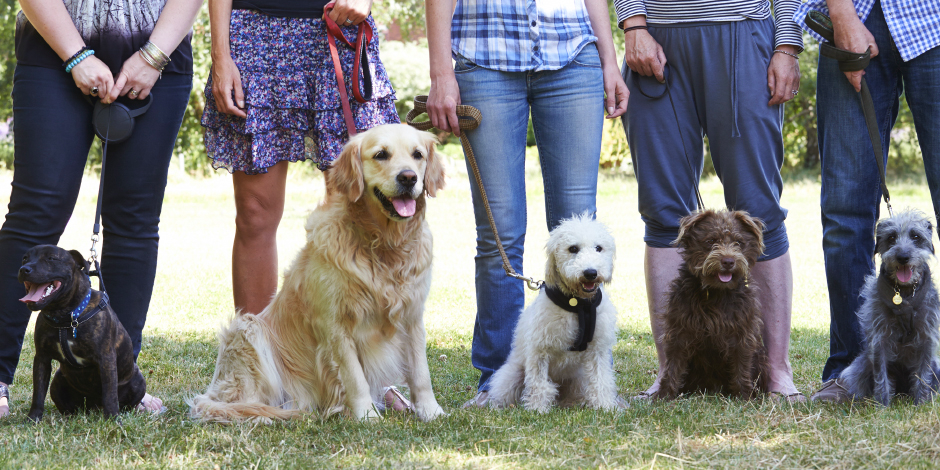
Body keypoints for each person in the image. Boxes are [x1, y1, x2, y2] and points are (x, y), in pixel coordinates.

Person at [0, 0, 202, 417]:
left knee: (134, 219)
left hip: (158, 54)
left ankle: (124, 382)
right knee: (34, 212)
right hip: (52, 44)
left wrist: (152, 56)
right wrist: (75, 54)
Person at [201, 0, 407, 408]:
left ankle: (374, 375)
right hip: (255, 34)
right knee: (256, 215)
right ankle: (263, 368)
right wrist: (221, 55)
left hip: (336, 29)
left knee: (357, 214)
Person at [426, 0, 629, 407]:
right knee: (499, 235)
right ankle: (498, 380)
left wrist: (610, 60)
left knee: (580, 232)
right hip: (484, 55)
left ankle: (590, 382)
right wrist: (441, 72)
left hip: (573, 54)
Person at [613, 0, 805, 400]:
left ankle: (776, 372)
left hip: (740, 33)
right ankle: (670, 373)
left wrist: (786, 47)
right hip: (654, 36)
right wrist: (633, 24)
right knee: (663, 211)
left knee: (759, 208)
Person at [793, 0, 940, 402]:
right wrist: (842, 16)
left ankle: (927, 368)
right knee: (845, 214)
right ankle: (851, 370)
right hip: (854, 14)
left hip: (933, 17)